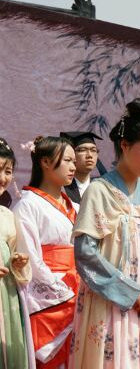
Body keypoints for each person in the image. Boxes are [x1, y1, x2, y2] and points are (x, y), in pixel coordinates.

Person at [68, 98, 140, 368]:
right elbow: (85, 254)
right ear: (124, 145)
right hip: (109, 305)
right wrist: (130, 291)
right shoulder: (99, 191)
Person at [12, 136, 79, 368]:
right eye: (67, 160)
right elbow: (30, 259)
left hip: (80, 288)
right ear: (46, 162)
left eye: (74, 161)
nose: (73, 166)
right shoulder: (27, 205)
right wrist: (65, 293)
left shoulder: (75, 207)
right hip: (54, 296)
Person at [0, 138, 33, 368]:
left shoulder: (7, 215)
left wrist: (18, 263)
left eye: (8, 171)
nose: (3, 178)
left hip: (6, 297)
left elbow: (14, 253)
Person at [59, 131, 102, 204]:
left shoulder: (102, 186)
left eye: (93, 150)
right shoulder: (61, 188)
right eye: (82, 150)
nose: (89, 155)